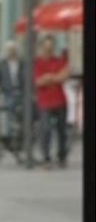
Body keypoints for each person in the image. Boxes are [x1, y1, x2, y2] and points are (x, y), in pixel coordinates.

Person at [34, 34, 70, 168]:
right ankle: (46, 157)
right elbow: (38, 82)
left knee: (62, 130)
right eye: (46, 48)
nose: (49, 51)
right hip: (44, 102)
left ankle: (61, 157)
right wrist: (55, 77)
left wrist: (49, 78)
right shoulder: (37, 63)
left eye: (51, 48)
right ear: (41, 48)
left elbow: (64, 76)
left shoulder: (59, 61)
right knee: (46, 129)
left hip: (60, 100)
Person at [0, 40, 24, 138]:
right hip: (8, 91)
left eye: (12, 50)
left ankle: (19, 132)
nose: (11, 52)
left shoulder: (21, 63)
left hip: (20, 91)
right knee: (9, 111)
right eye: (9, 50)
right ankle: (9, 133)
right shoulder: (1, 64)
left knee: (20, 113)